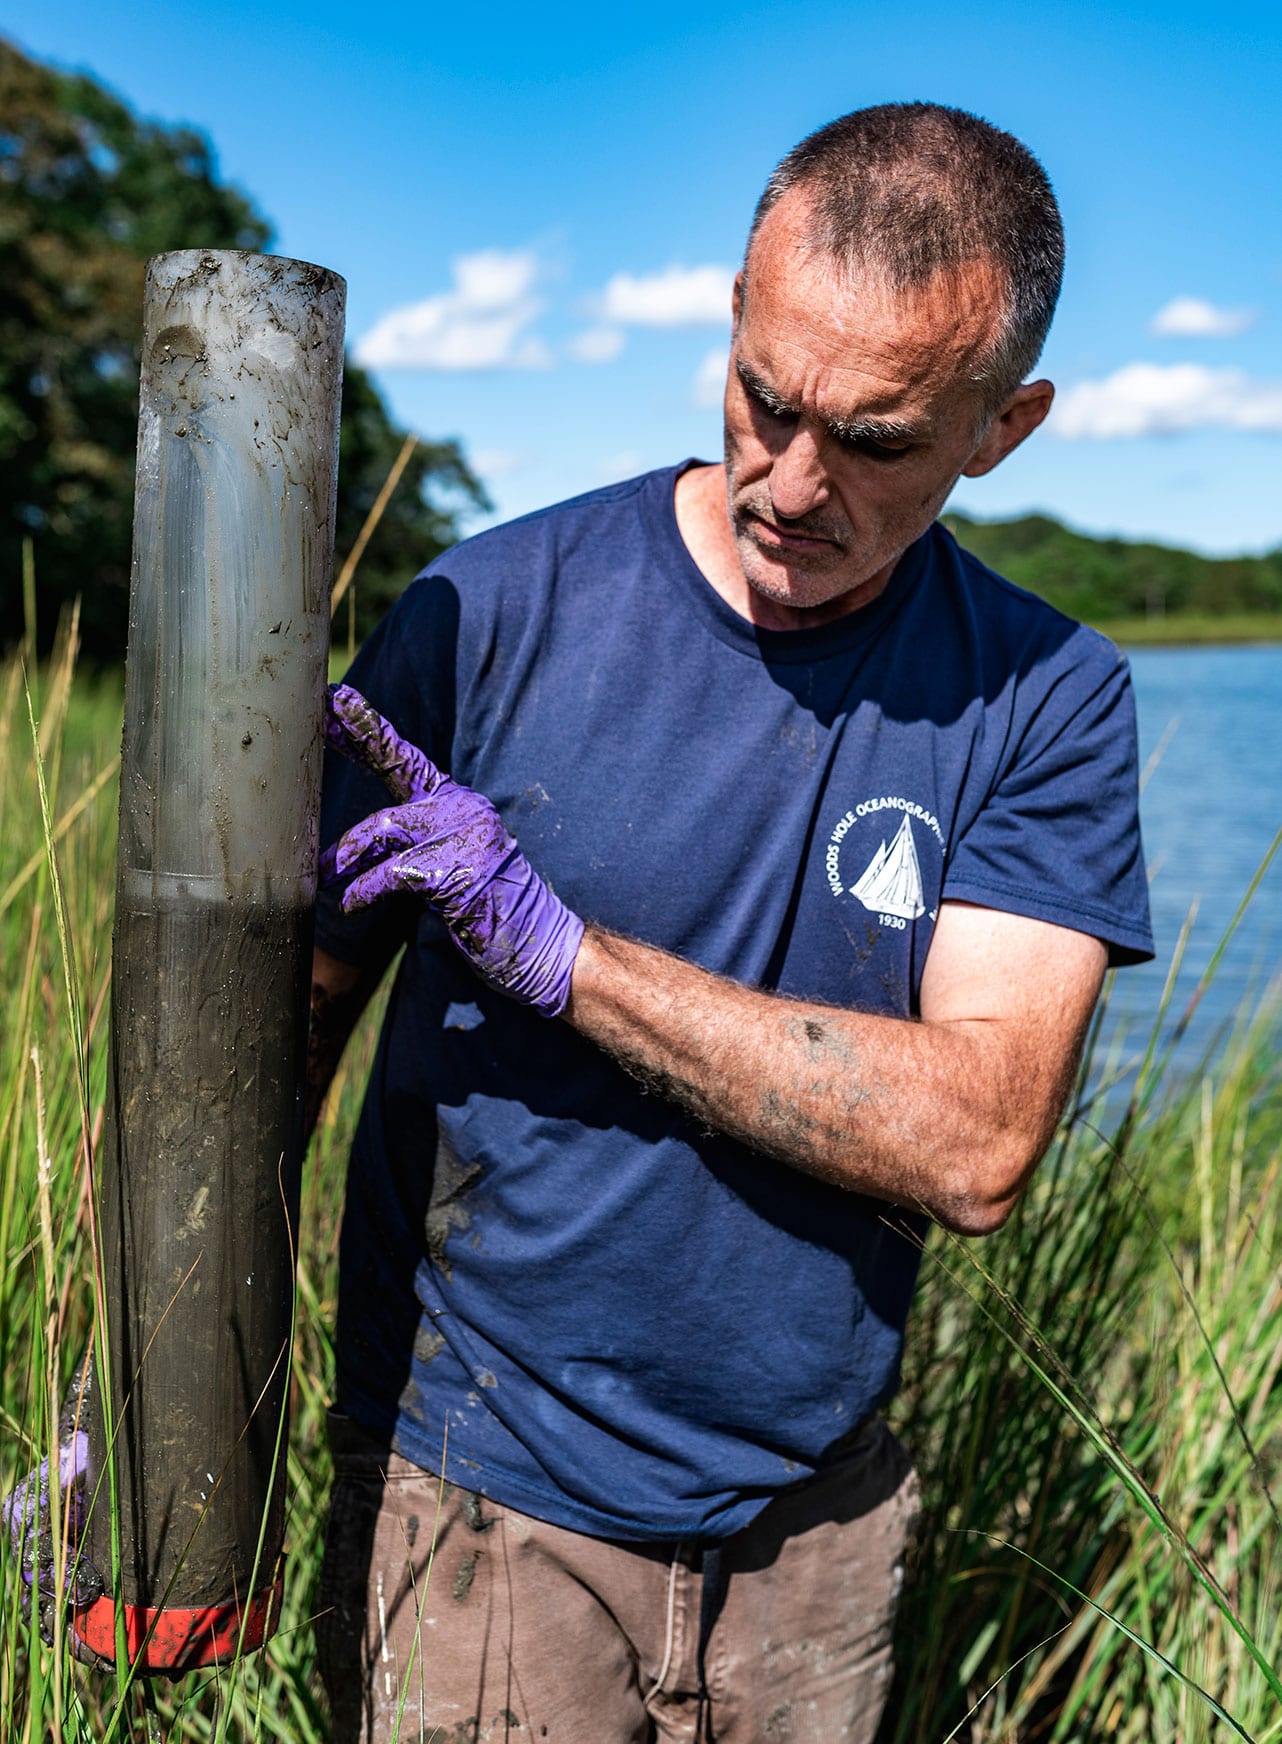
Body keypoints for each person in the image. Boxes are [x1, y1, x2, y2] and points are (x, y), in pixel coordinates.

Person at [308, 102, 1153, 1744]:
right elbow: (275, 1038)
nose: (792, 480)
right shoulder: (478, 618)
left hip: (820, 1532)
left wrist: (560, 957)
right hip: (482, 1502)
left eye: (880, 439)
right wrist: (148, 1407)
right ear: (734, 320)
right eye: (766, 399)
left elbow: (974, 1142)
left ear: (1005, 425)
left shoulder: (1047, 696)